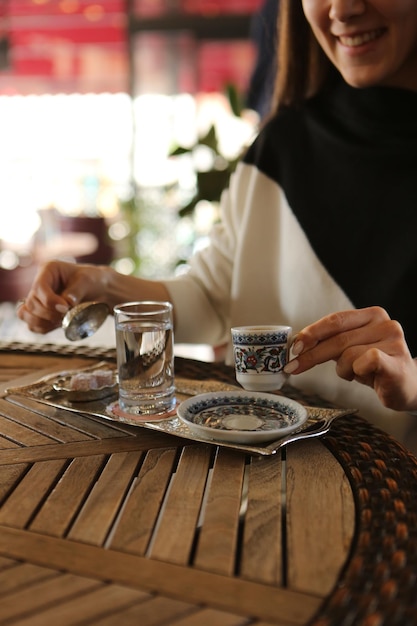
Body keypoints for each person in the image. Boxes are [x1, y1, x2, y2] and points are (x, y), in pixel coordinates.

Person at [18, 0, 417, 446]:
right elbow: (213, 299)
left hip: (390, 486)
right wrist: (104, 286)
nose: (342, 9)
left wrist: (413, 384)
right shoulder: (281, 145)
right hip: (253, 470)